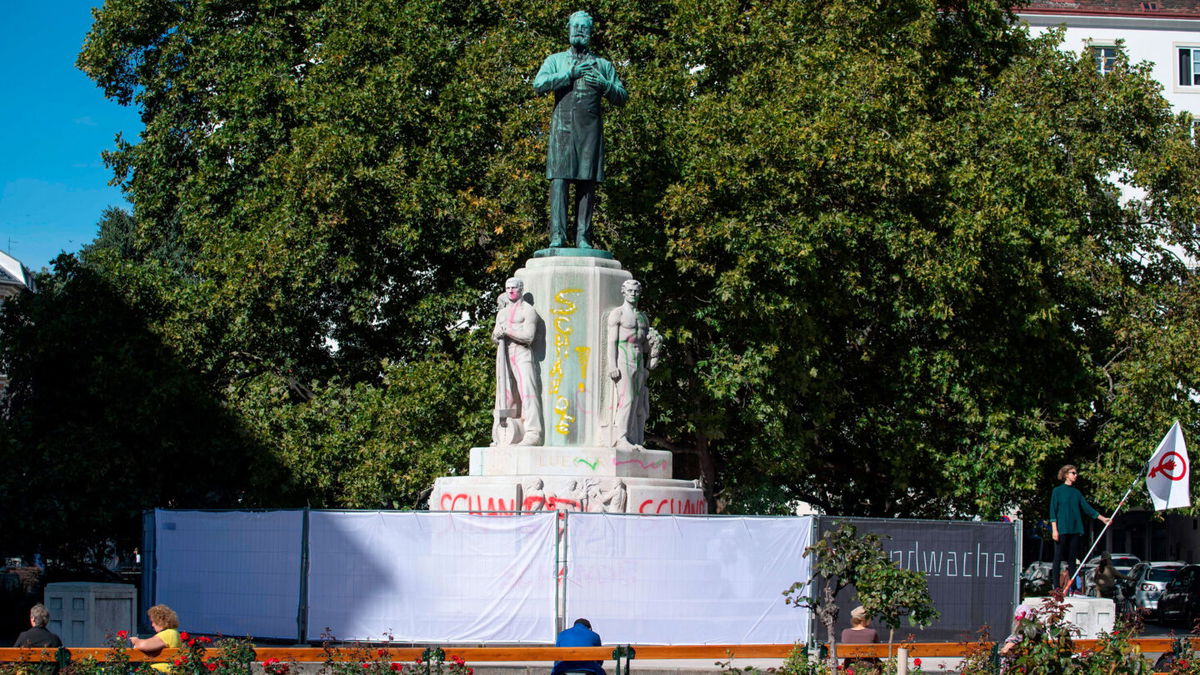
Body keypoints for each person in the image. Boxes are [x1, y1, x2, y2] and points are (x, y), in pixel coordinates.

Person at [533, 11, 628, 250]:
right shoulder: (556, 60)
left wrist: (604, 85)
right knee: (559, 182)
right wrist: (569, 75)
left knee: (587, 183)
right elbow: (538, 84)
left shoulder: (603, 65)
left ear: (590, 32)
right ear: (568, 29)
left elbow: (622, 96)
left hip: (590, 132)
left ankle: (583, 237)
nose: (578, 31)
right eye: (574, 26)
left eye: (583, 28)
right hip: (563, 131)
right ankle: (558, 236)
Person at [492, 277, 543, 446]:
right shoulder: (502, 313)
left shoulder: (528, 310)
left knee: (527, 392)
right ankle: (504, 434)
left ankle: (533, 432)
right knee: (505, 394)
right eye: (507, 288)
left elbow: (529, 336)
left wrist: (507, 331)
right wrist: (498, 334)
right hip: (505, 353)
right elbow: (494, 335)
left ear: (521, 289)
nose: (510, 291)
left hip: (522, 352)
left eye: (514, 288)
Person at [606, 280, 654, 450]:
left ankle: (633, 438)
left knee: (637, 400)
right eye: (630, 291)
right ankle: (621, 438)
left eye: (636, 291)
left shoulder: (643, 317)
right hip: (623, 358)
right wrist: (612, 365)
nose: (633, 294)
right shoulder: (618, 314)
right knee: (627, 398)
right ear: (623, 292)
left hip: (639, 359)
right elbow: (611, 341)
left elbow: (645, 345)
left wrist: (654, 341)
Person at [1049, 464, 1111, 592]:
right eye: (1073, 473)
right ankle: (1056, 586)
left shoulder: (1076, 493)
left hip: (1075, 528)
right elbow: (1053, 511)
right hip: (1062, 528)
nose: (1075, 475)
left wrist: (1102, 518)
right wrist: (1054, 529)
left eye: (1076, 473)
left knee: (1073, 558)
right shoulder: (1057, 491)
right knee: (1058, 557)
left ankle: (1073, 587)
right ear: (1066, 474)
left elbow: (1086, 507)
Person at [129, 604, 182, 673]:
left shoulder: (168, 633)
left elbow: (143, 645)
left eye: (153, 622)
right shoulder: (174, 632)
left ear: (160, 621)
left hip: (161, 671)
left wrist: (136, 641)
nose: (152, 625)